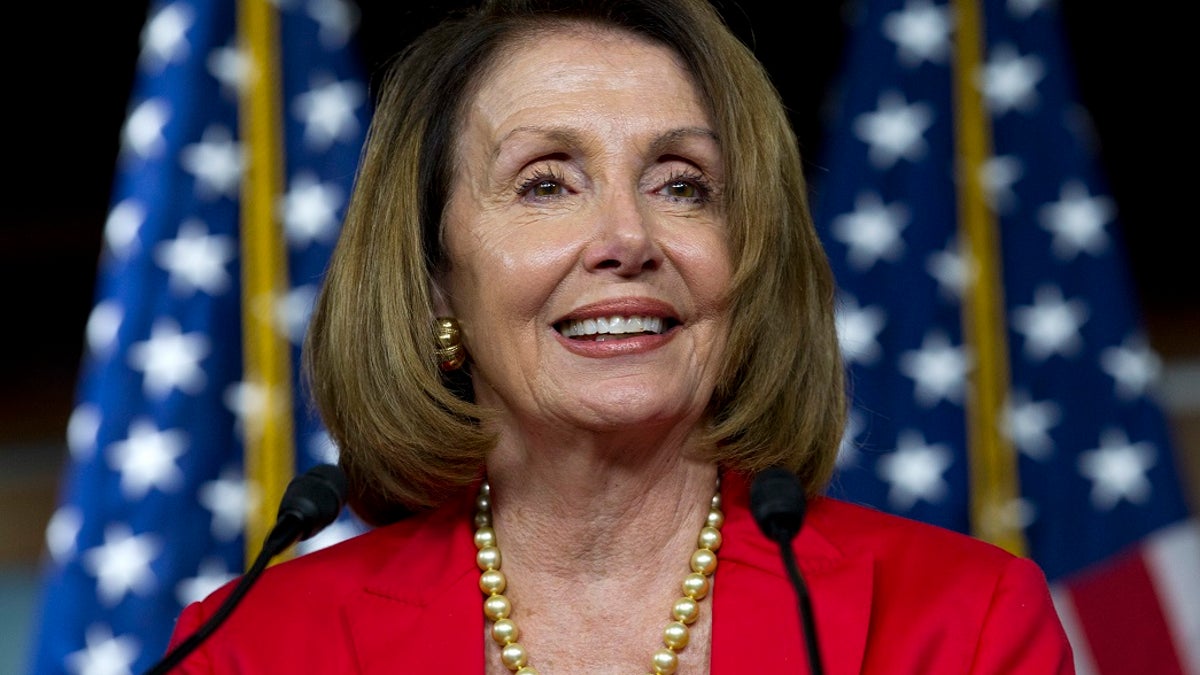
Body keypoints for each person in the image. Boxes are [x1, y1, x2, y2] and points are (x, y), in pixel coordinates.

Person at [165, 0, 1076, 672]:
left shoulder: (965, 624)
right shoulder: (253, 646)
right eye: (545, 184)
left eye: (683, 184)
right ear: (435, 275)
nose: (627, 241)